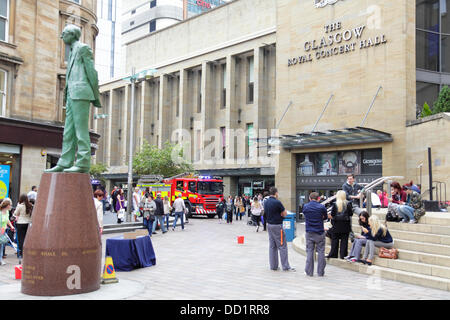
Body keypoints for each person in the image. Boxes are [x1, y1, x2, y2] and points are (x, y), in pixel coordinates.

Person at [45, 24, 101, 173]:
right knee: (68, 131)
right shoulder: (71, 52)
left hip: (81, 93)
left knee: (81, 131)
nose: (61, 36)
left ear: (71, 34)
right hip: (71, 94)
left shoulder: (83, 48)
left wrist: (95, 95)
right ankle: (65, 162)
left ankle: (82, 163)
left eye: (63, 33)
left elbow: (92, 72)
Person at [264, 187, 295, 272]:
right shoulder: (277, 202)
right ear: (276, 193)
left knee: (272, 246)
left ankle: (273, 266)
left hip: (269, 225)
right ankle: (285, 266)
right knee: (282, 246)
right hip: (277, 226)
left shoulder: (266, 202)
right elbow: (284, 214)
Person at [302, 192, 328, 276]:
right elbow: (325, 217)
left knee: (309, 251)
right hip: (319, 231)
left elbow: (305, 215)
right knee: (321, 252)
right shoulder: (321, 207)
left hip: (309, 232)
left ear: (309, 198)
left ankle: (309, 272)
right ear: (318, 198)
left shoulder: (305, 206)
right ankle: (320, 272)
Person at [327, 190, 354, 259]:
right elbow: (351, 214)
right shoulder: (348, 203)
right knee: (344, 241)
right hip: (345, 224)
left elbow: (332, 214)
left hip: (336, 224)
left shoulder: (335, 204)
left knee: (335, 240)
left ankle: (333, 254)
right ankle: (343, 255)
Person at [13, 194, 33, 259]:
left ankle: (22, 253)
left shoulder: (20, 205)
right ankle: (27, 252)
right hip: (28, 223)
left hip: (21, 223)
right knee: (27, 238)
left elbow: (15, 213)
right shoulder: (30, 205)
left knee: (21, 239)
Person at [0, 198, 15, 266]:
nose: (11, 206)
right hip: (1, 230)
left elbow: (7, 220)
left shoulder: (7, 212)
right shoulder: (0, 212)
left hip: (3, 231)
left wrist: (11, 226)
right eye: (10, 205)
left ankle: (0, 260)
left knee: (1, 246)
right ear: (7, 205)